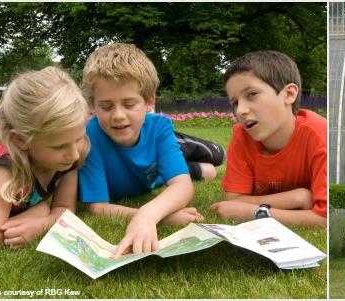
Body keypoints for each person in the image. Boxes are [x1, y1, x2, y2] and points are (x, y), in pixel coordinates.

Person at [78, 43, 213, 258]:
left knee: (216, 156)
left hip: (157, 156)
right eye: (106, 107)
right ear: (93, 106)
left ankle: (192, 162)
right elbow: (97, 207)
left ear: (149, 101)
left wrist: (148, 215)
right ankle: (193, 168)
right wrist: (161, 216)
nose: (118, 115)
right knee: (191, 172)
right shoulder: (89, 136)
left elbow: (182, 186)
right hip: (150, 176)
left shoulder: (160, 126)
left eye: (129, 105)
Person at [0, 67, 90, 249]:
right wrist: (40, 211)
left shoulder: (68, 156)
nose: (75, 154)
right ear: (21, 140)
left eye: (79, 138)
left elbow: (65, 208)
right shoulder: (2, 162)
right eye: (59, 146)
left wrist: (41, 223)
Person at [209, 51, 327, 228]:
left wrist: (253, 212)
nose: (240, 110)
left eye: (252, 94)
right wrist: (298, 197)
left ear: (289, 94)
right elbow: (233, 200)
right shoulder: (241, 135)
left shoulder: (319, 135)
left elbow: (324, 219)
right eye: (235, 103)